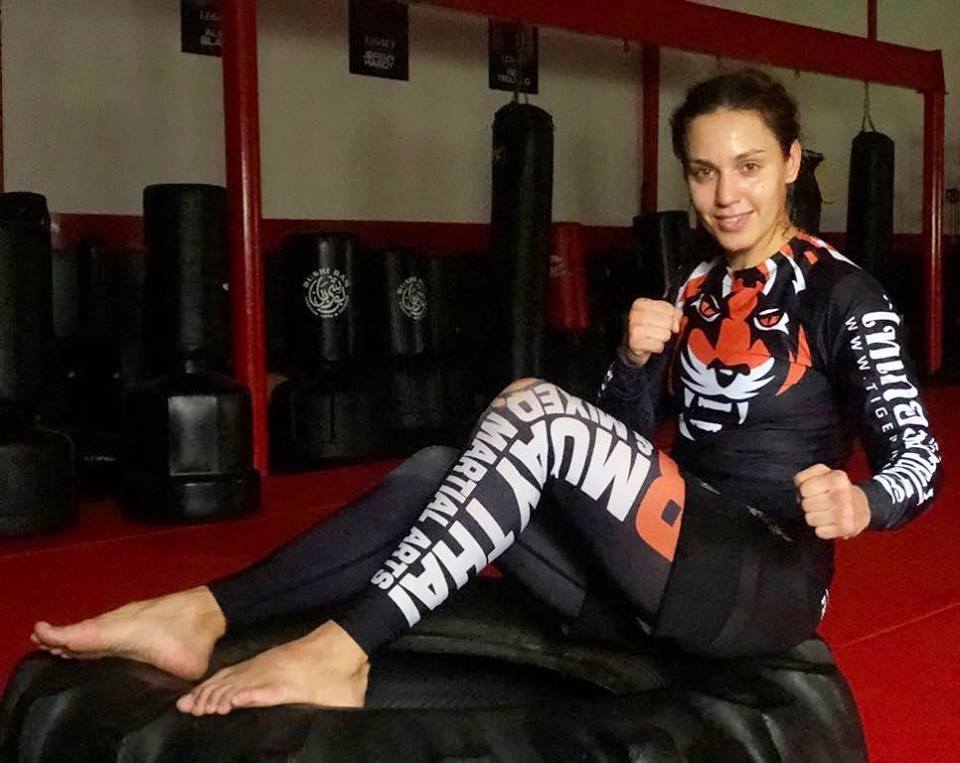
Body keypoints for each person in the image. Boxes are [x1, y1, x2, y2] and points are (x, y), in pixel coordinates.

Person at [31, 68, 941, 717]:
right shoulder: (693, 285)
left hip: (760, 583)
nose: (725, 194)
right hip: (661, 572)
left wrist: (860, 501)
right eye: (703, 171)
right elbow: (622, 443)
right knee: (440, 465)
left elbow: (921, 458)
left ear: (791, 163)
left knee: (532, 406)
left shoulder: (843, 294)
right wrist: (632, 362)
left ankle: (342, 651)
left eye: (748, 166)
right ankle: (203, 611)